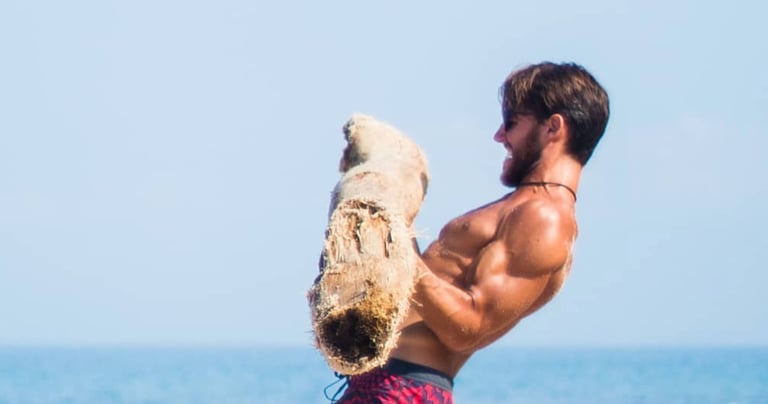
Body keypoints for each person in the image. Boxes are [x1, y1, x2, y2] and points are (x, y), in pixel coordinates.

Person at [331, 61, 610, 403]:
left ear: (553, 128)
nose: (499, 135)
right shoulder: (521, 207)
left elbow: (469, 328)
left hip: (404, 390)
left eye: (512, 122)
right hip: (383, 384)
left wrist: (396, 239)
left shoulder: (545, 218)